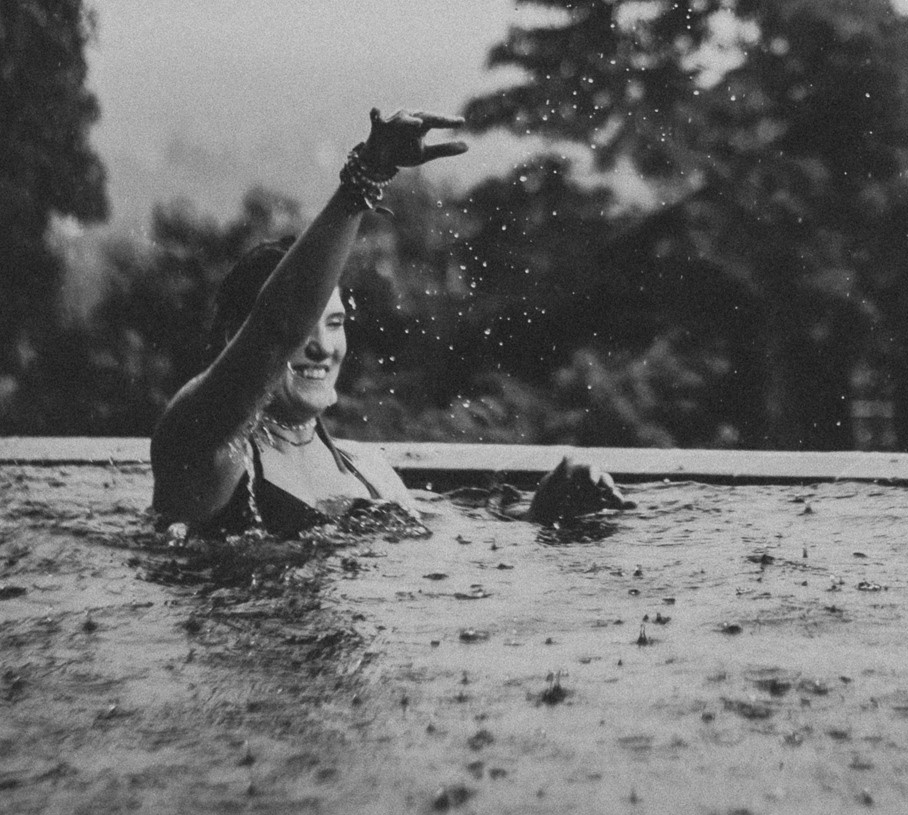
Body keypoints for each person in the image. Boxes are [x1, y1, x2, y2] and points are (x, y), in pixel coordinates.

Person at [149, 107, 624, 535]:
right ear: (235, 337)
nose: (322, 346)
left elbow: (461, 548)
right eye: (308, 327)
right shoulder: (200, 447)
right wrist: (365, 177)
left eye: (335, 323)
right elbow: (277, 327)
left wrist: (548, 512)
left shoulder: (368, 473)